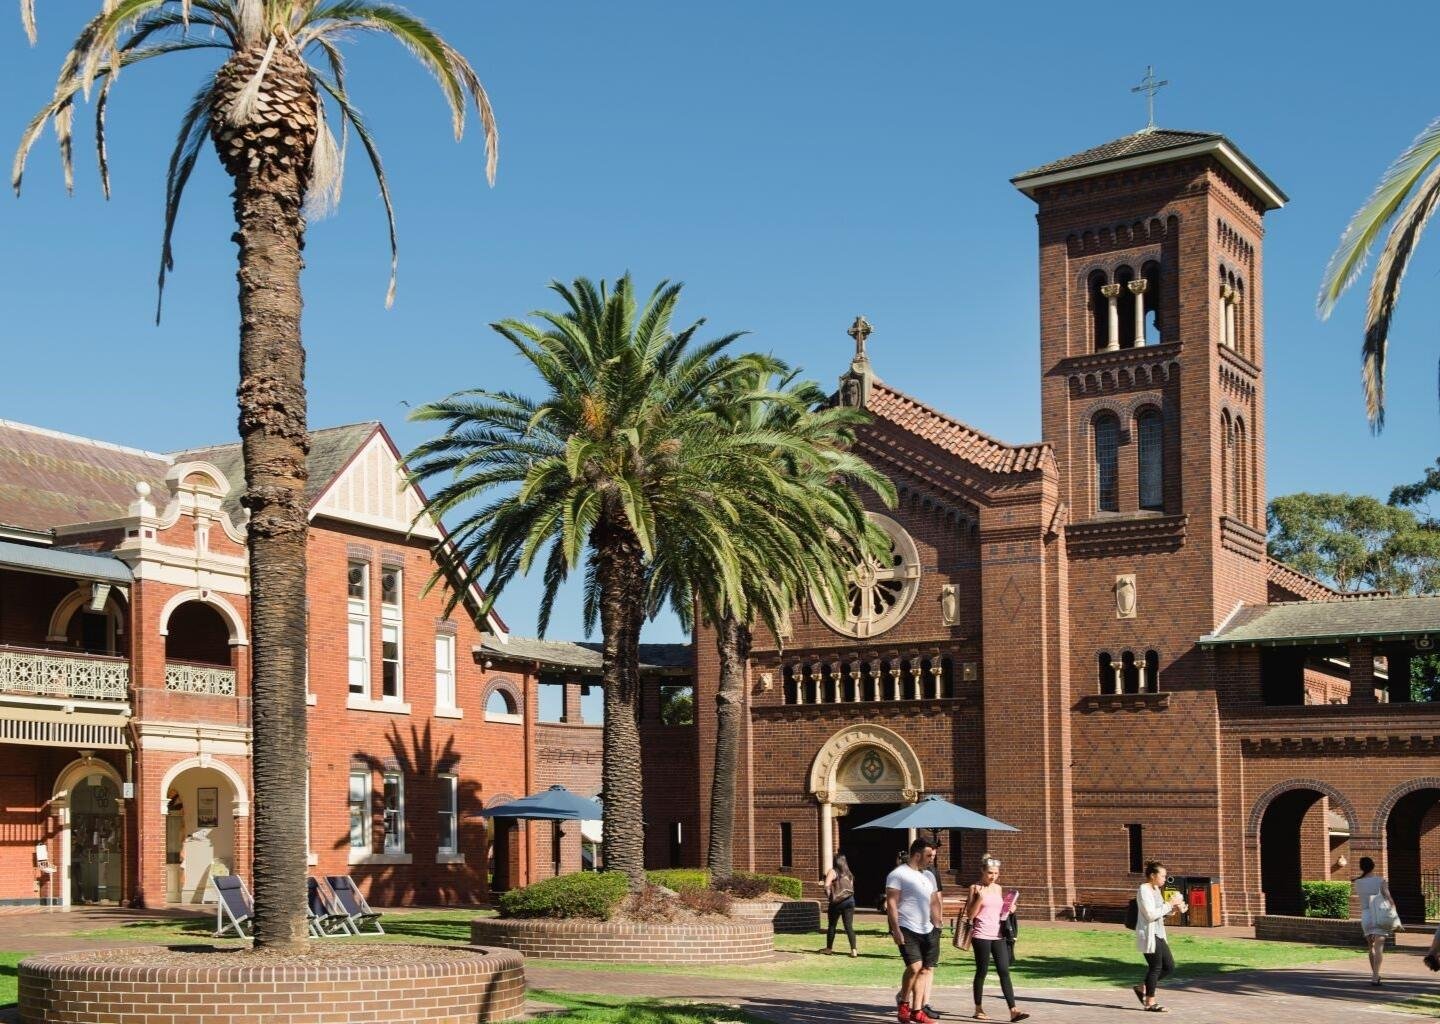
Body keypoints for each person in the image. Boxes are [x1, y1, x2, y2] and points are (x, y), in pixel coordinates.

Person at [958, 854, 1029, 1022]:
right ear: (982, 871)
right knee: (981, 971)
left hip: (998, 935)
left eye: (996, 873)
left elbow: (1000, 911)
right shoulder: (974, 888)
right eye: (990, 873)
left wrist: (1011, 908)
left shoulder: (998, 888)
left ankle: (1013, 1010)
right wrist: (980, 899)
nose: (993, 876)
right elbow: (970, 914)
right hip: (981, 935)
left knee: (1004, 971)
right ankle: (978, 1008)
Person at [887, 837, 944, 1024]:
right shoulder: (898, 874)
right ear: (917, 854)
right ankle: (903, 1003)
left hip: (929, 929)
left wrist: (938, 925)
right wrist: (895, 929)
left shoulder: (928, 876)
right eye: (929, 855)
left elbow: (934, 901)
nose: (931, 859)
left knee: (926, 970)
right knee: (914, 967)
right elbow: (892, 903)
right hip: (907, 927)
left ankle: (917, 1010)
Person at [1132, 860, 1186, 1013]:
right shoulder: (1144, 889)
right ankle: (1150, 1002)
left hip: (1159, 933)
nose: (1164, 878)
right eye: (1162, 876)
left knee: (1169, 967)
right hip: (1149, 934)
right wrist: (1169, 904)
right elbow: (1150, 915)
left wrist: (1174, 909)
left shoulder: (1155, 889)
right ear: (1152, 875)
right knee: (1156, 967)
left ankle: (1142, 987)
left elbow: (1159, 912)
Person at [1355, 856, 1398, 985]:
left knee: (1371, 947)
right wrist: (1393, 911)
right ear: (1373, 866)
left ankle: (1375, 975)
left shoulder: (1358, 882)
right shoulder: (1380, 881)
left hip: (1366, 915)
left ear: (1361, 867)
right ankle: (1375, 977)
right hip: (1379, 914)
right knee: (1379, 947)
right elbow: (1388, 898)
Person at [824, 853, 858, 957]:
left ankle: (829, 949)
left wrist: (829, 896)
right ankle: (854, 950)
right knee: (849, 926)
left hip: (837, 902)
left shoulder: (833, 871)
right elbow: (851, 887)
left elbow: (826, 885)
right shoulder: (849, 873)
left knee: (832, 925)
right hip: (850, 901)